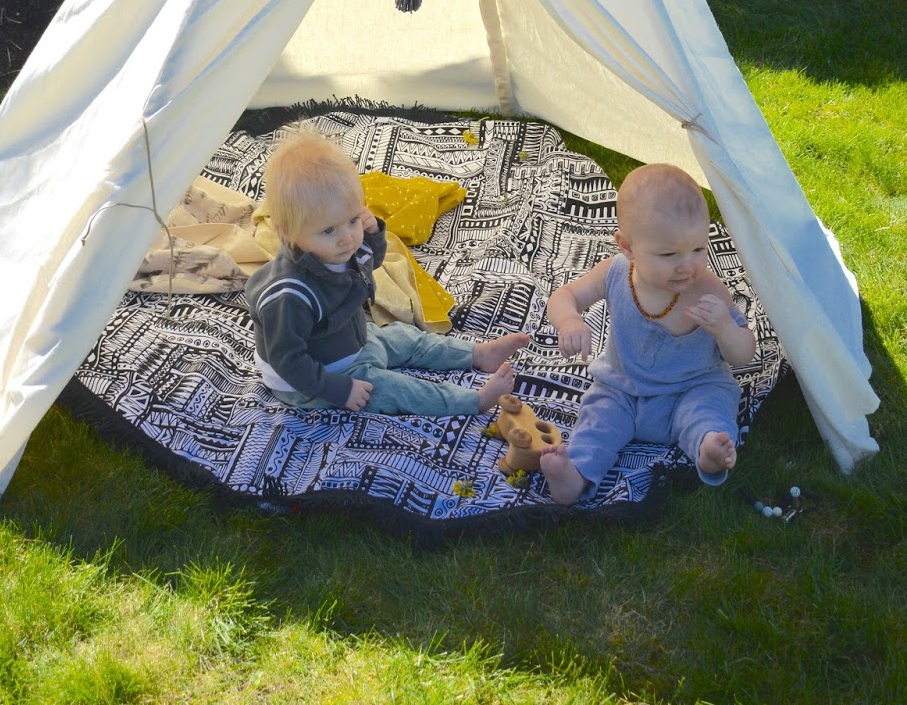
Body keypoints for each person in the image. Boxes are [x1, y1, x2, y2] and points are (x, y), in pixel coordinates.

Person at [245, 130, 529, 415]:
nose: (347, 238)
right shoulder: (289, 297)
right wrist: (340, 390)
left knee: (406, 337)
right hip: (315, 378)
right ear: (286, 231)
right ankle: (472, 401)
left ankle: (478, 354)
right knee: (396, 389)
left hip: (351, 340)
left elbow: (372, 263)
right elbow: (289, 361)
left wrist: (373, 234)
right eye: (329, 230)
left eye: (353, 219)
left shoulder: (334, 247)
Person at [540, 161, 756, 504]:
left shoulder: (707, 290)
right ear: (627, 247)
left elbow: (744, 355)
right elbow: (565, 296)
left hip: (690, 390)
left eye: (699, 249)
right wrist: (569, 321)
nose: (688, 265)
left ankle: (708, 449)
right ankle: (574, 475)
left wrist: (726, 328)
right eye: (669, 254)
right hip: (623, 389)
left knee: (710, 409)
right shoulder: (615, 273)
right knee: (598, 419)